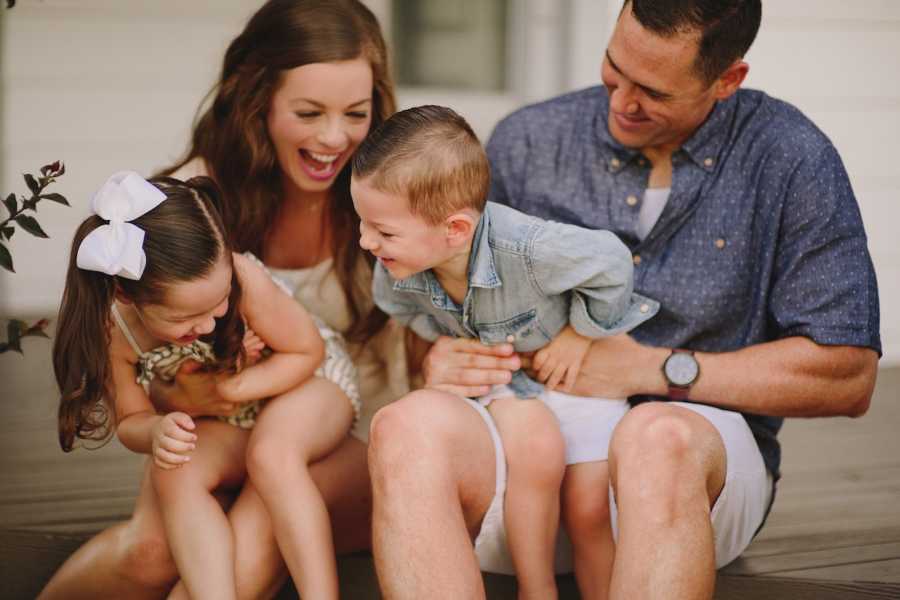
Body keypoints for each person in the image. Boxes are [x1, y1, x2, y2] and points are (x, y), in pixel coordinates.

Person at [367, 1, 881, 599]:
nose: (620, 101)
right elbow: (434, 279)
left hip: (694, 480)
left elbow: (848, 377)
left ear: (727, 81)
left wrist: (656, 369)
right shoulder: (529, 140)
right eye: (614, 67)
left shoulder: (792, 159)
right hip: (530, 464)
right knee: (405, 426)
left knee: (656, 437)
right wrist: (443, 355)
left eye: (654, 92)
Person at [38, 1, 404, 598]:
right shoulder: (195, 202)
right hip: (223, 428)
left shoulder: (389, 185)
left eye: (356, 113)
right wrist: (183, 397)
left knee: (252, 540)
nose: (334, 137)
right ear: (257, 101)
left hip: (345, 432)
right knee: (153, 551)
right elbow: (147, 348)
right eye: (308, 112)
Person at [351, 105, 658, 598]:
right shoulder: (397, 268)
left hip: (574, 376)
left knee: (589, 508)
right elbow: (399, 308)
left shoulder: (529, 248)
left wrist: (580, 333)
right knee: (536, 449)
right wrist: (450, 344)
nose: (366, 241)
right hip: (508, 376)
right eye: (364, 223)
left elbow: (613, 263)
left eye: (383, 232)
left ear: (454, 230)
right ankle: (536, 589)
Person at [54, 172, 360, 599]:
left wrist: (235, 388)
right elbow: (131, 419)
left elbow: (305, 352)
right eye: (185, 318)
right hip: (228, 414)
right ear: (126, 295)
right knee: (176, 470)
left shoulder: (241, 276)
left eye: (220, 302)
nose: (210, 322)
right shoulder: (114, 331)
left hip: (306, 385)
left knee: (273, 454)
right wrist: (156, 431)